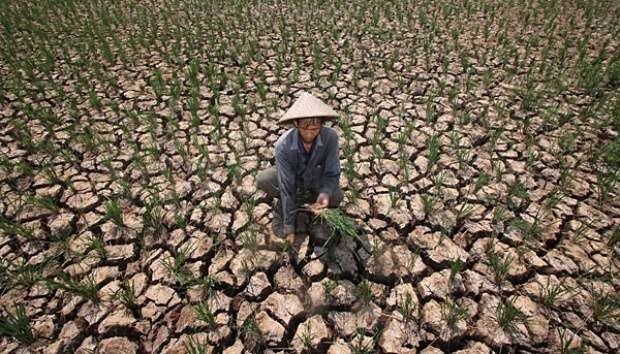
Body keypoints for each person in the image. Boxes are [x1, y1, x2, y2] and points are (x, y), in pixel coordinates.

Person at [256, 91, 344, 247]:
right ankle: (289, 204)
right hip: (294, 182)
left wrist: (325, 193)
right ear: (296, 123)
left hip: (316, 180)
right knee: (264, 179)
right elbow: (286, 185)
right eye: (305, 128)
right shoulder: (283, 144)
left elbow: (332, 172)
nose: (310, 133)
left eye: (315, 129)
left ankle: (311, 201)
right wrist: (289, 227)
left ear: (322, 124)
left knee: (336, 196)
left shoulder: (331, 137)